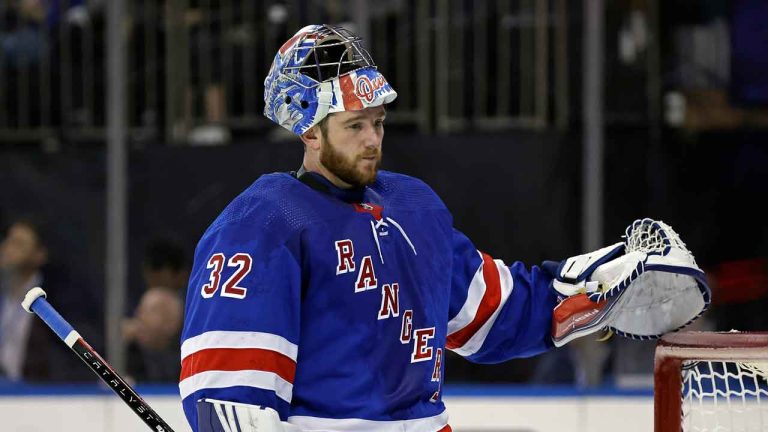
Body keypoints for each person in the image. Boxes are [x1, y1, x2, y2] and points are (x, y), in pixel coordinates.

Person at [179, 24, 710, 432]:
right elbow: (230, 392)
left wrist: (589, 293)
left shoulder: (414, 207)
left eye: (378, 123)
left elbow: (492, 315)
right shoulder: (264, 221)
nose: (372, 140)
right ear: (309, 132)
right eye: (354, 126)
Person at [123, 239, 187, 382]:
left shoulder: (189, 307)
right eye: (141, 313)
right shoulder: (134, 357)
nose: (141, 320)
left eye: (158, 312)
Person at [0, 218, 50, 381]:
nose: (8, 249)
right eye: (8, 241)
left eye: (19, 244)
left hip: (33, 394)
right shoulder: (3, 294)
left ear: (39, 255)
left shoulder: (55, 301)